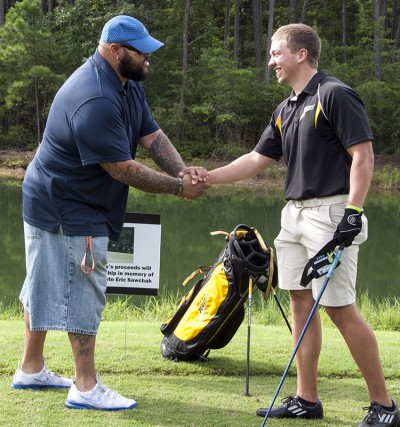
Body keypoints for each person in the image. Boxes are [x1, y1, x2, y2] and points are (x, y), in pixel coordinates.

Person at [13, 15, 209, 411]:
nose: (150, 57)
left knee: (44, 280)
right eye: (142, 51)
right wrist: (178, 188)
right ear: (116, 51)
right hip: (65, 205)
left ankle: (31, 368)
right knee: (83, 289)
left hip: (66, 198)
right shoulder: (95, 96)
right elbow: (122, 169)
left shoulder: (126, 83)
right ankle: (85, 387)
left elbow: (151, 136)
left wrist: (182, 169)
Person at [206, 23, 398, 426]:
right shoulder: (286, 108)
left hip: (330, 216)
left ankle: (384, 406)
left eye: (276, 53)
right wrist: (208, 177)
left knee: (340, 309)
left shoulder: (335, 95)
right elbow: (257, 160)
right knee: (299, 303)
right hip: (292, 216)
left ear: (301, 54)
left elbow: (363, 156)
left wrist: (354, 211)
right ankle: (305, 399)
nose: (271, 61)